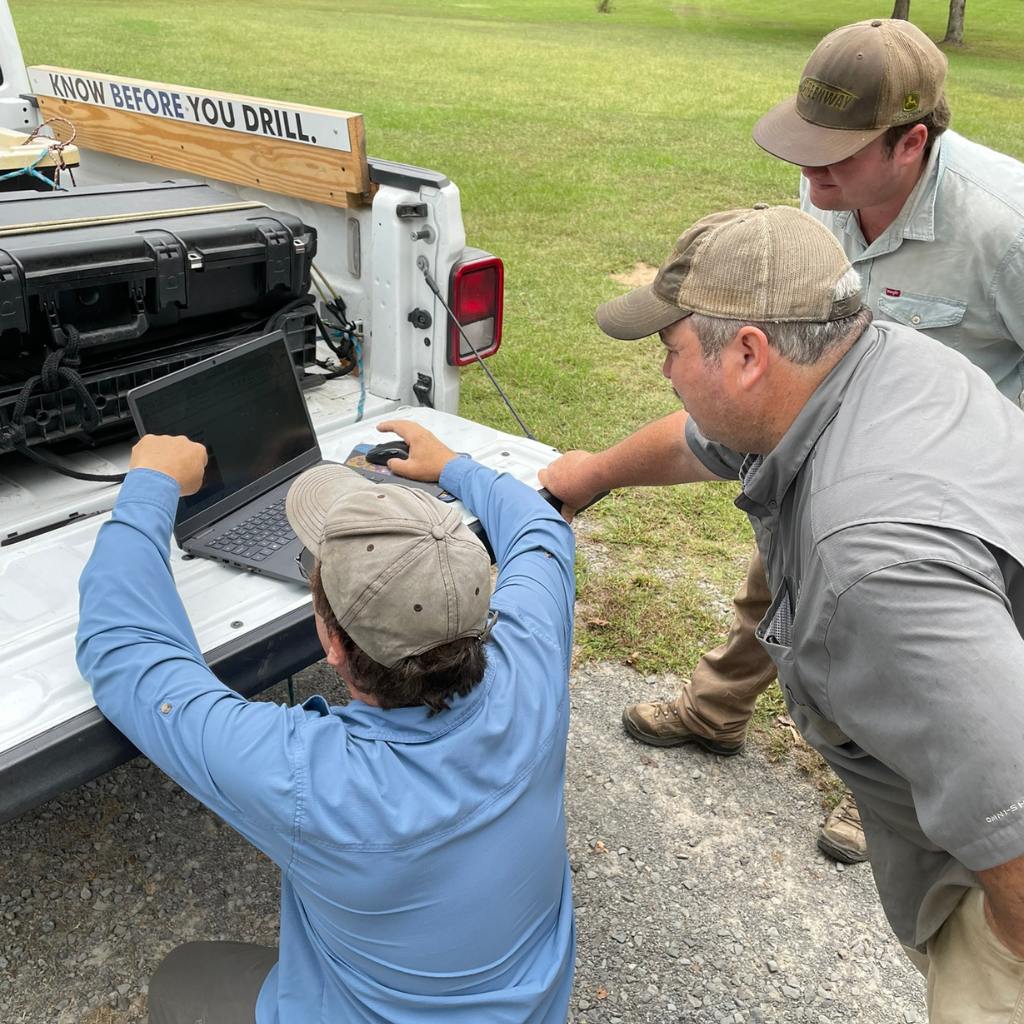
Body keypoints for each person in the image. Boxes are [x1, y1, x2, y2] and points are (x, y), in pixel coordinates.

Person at [540, 203, 1024, 1021]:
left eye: (671, 349)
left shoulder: (873, 567)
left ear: (750, 353)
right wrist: (592, 472)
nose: (666, 372)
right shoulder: (867, 361)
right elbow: (701, 438)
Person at [616, 17, 1024, 865]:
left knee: (897, 649)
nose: (807, 170)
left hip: (937, 480)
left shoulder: (1005, 228)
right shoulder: (826, 191)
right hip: (818, 435)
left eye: (833, 152)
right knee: (778, 578)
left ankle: (876, 784)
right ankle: (715, 709)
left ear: (910, 143)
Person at [75, 421, 577, 1024]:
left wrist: (150, 484)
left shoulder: (307, 777)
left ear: (331, 643)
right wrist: (453, 466)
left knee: (184, 979)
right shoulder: (533, 655)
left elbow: (123, 648)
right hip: (536, 1008)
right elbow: (543, 528)